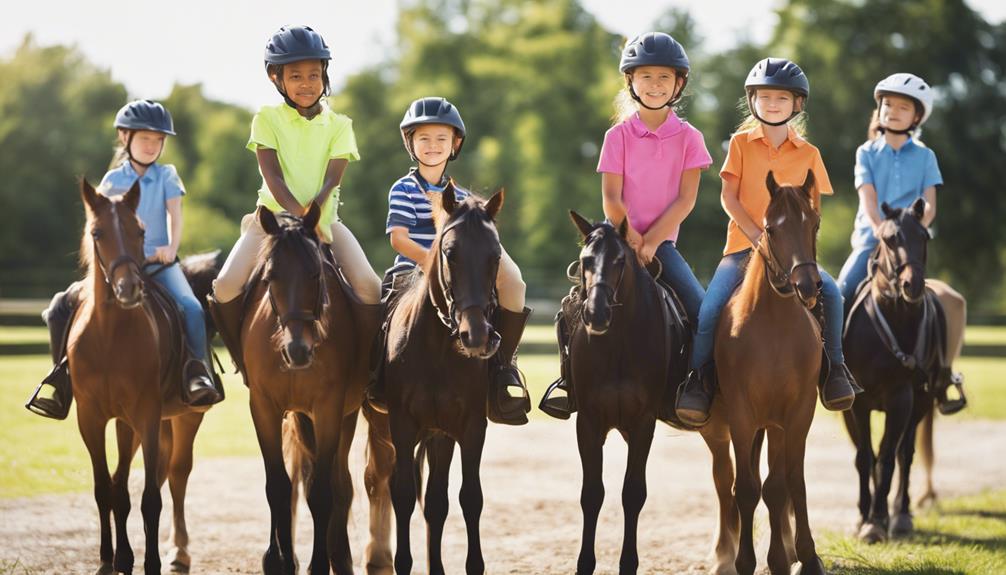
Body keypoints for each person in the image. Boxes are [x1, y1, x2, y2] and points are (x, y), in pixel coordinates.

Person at [675, 58, 861, 427]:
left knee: (834, 295)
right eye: (764, 97)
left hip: (793, 255)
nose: (773, 103)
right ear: (753, 101)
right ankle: (699, 380)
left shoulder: (809, 154)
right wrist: (757, 236)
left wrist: (802, 255)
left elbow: (813, 214)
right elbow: (729, 198)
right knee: (710, 310)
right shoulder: (742, 144)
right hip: (743, 249)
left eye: (781, 97)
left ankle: (836, 370)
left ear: (798, 104)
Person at [540, 32, 711, 420]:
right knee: (572, 307)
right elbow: (611, 199)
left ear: (678, 84)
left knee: (702, 311)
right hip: (616, 240)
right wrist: (631, 236)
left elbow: (685, 200)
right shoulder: (616, 136)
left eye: (664, 78)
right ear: (631, 82)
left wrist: (651, 241)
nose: (655, 85)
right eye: (646, 77)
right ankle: (568, 383)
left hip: (661, 245)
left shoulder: (690, 138)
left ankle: (695, 385)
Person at [26, 99, 221, 420]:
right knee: (61, 305)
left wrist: (171, 248)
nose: (152, 145)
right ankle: (61, 378)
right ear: (124, 137)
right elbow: (97, 225)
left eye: (159, 140)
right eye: (145, 138)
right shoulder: (112, 181)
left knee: (191, 307)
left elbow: (175, 215)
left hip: (159, 264)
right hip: (117, 268)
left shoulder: (167, 176)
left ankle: (197, 372)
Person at [208, 25, 381, 373]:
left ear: (325, 76)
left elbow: (333, 179)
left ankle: (368, 366)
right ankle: (243, 361)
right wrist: (302, 215)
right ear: (276, 78)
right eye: (296, 76)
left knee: (370, 285)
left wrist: (314, 218)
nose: (307, 83)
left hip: (325, 221)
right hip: (271, 222)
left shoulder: (340, 125)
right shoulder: (266, 119)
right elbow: (273, 177)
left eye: (314, 75)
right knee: (224, 286)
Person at [368, 96, 532, 426]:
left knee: (515, 283)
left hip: (461, 270)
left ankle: (502, 368)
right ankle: (374, 374)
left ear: (455, 144)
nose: (433, 145)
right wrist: (435, 263)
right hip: (413, 268)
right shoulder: (403, 189)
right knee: (377, 303)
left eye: (441, 138)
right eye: (424, 138)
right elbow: (398, 239)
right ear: (410, 143)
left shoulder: (463, 197)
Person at [837, 73, 965, 413]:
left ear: (917, 116)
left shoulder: (926, 157)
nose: (892, 111)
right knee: (838, 293)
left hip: (910, 248)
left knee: (947, 304)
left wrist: (910, 234)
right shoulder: (866, 152)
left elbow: (930, 205)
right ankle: (832, 372)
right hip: (870, 242)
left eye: (902, 106)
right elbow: (868, 199)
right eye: (888, 104)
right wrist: (882, 230)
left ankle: (944, 376)